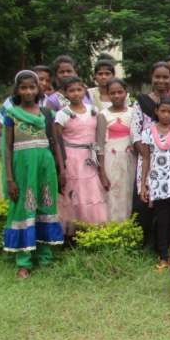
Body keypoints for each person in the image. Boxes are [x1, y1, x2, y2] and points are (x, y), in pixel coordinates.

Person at [2, 70, 64, 278]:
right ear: (17, 90)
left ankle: (45, 256)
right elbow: (8, 149)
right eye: (24, 87)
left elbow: (55, 144)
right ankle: (24, 261)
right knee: (23, 209)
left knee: (46, 206)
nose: (28, 91)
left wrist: (61, 170)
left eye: (32, 87)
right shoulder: (11, 115)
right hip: (23, 168)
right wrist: (10, 179)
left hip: (46, 167)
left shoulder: (47, 114)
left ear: (39, 89)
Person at [131, 62, 170, 248]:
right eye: (158, 76)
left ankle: (169, 245)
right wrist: (149, 153)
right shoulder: (141, 101)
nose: (161, 80)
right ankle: (146, 243)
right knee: (145, 200)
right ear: (151, 77)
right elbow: (135, 132)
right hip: (147, 159)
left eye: (165, 77)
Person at [139, 96, 170, 270]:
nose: (166, 115)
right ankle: (162, 255)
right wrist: (143, 183)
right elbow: (145, 159)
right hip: (157, 182)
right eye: (163, 111)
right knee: (161, 219)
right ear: (156, 111)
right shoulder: (147, 133)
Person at [54, 76, 108, 234]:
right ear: (65, 93)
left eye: (79, 90)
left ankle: (91, 229)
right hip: (72, 157)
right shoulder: (62, 114)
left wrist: (100, 166)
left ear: (84, 90)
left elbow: (99, 138)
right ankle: (72, 231)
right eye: (71, 90)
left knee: (91, 191)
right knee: (74, 192)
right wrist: (62, 167)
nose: (76, 94)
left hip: (90, 155)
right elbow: (57, 141)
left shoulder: (94, 111)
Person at [96, 78, 137, 222]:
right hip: (111, 159)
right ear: (108, 95)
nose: (117, 96)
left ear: (126, 93)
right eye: (112, 93)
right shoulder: (103, 115)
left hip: (130, 159)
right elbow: (99, 145)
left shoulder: (133, 112)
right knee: (113, 193)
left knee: (129, 192)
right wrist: (102, 172)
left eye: (120, 92)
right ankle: (113, 229)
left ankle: (128, 227)